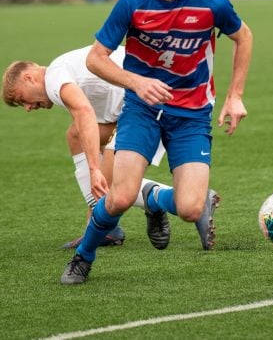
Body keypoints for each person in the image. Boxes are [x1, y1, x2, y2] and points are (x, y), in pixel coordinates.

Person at [60, 0, 252, 285]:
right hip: (142, 111)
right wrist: (137, 82)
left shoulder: (212, 2)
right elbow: (95, 58)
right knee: (118, 198)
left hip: (192, 115)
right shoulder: (133, 2)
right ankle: (84, 257)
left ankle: (157, 208)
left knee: (191, 207)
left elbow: (243, 36)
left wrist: (235, 96)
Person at [1, 45, 216, 249]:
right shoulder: (59, 71)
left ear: (29, 77)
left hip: (150, 108)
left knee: (112, 187)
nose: (28, 108)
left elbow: (84, 112)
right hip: (138, 103)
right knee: (75, 135)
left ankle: (164, 199)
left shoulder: (53, 79)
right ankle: (107, 227)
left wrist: (95, 169)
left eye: (22, 100)